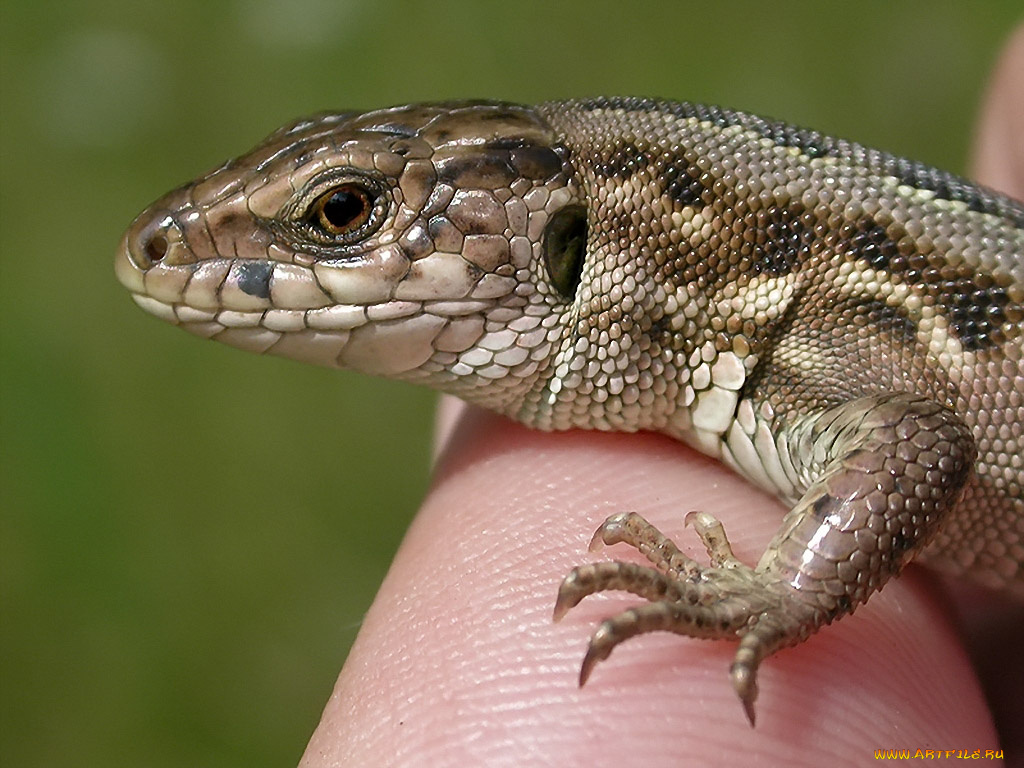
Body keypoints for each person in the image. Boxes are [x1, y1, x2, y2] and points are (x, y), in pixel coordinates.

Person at [300, 27, 1024, 766]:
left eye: (343, 215)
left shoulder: (811, 332)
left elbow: (918, 445)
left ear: (562, 244)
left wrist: (780, 592)